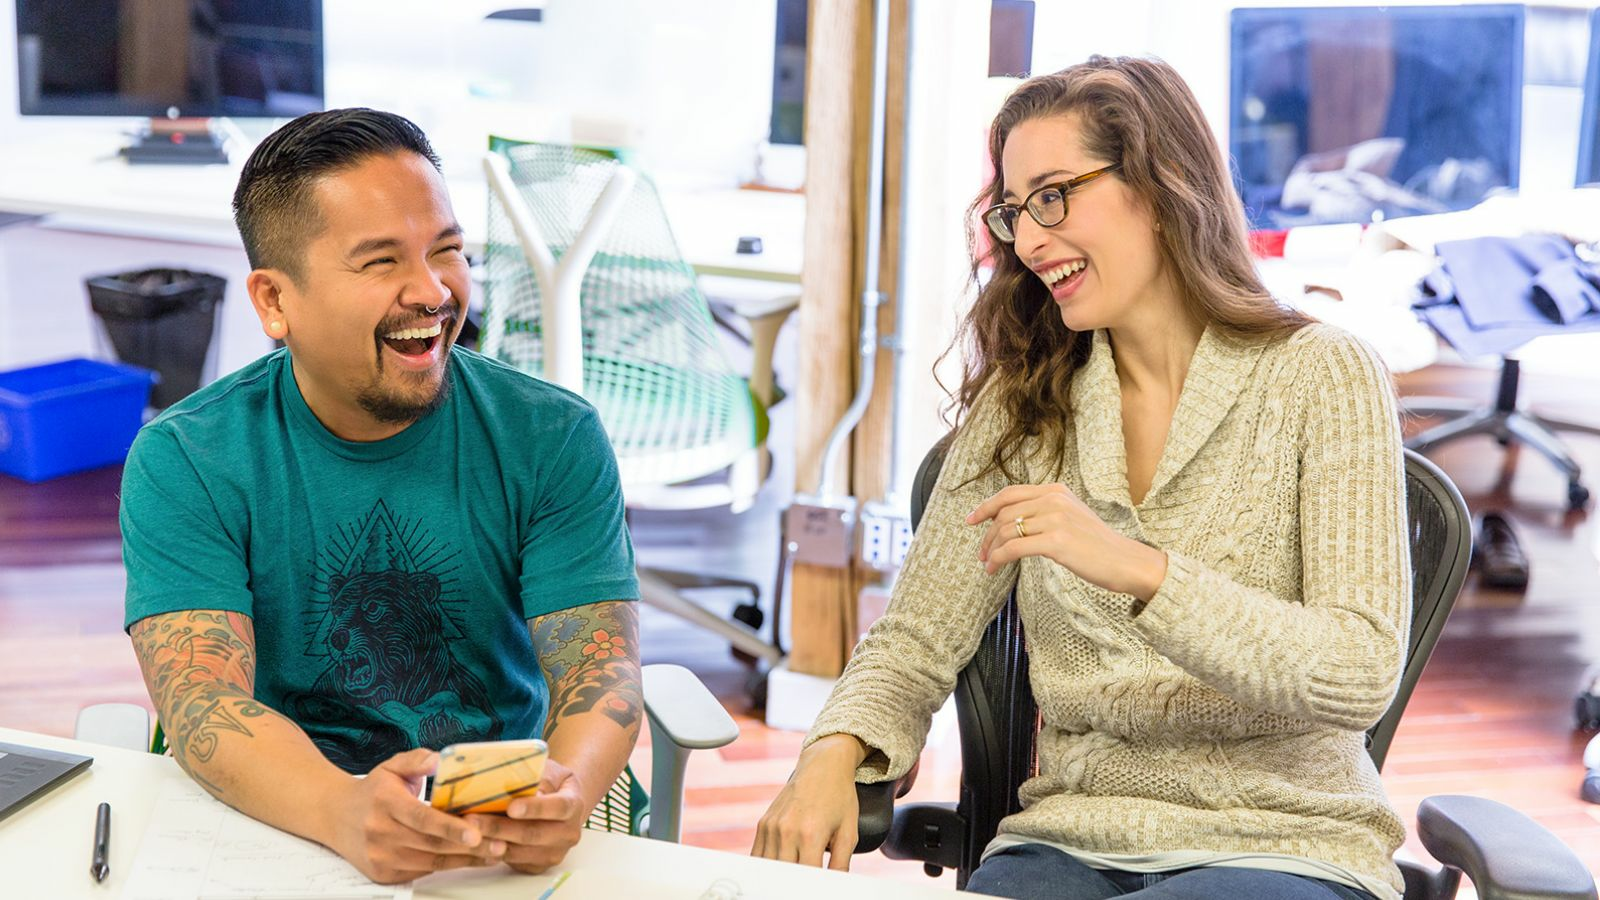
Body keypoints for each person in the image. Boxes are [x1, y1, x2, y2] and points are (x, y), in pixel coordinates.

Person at [754, 56, 1409, 900]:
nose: (1027, 240)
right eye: (1015, 211)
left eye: (1055, 196)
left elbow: (1357, 671)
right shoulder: (1030, 400)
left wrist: (1135, 566)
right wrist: (831, 753)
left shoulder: (1321, 374)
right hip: (1064, 840)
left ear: (1162, 184)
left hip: (1282, 841)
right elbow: (917, 639)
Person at [120, 108, 642, 885]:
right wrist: (343, 810)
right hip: (281, 811)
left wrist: (561, 794)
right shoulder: (188, 456)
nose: (431, 292)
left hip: (497, 814)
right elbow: (203, 702)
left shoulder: (549, 435)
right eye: (379, 262)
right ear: (274, 302)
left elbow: (600, 673)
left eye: (448, 251)